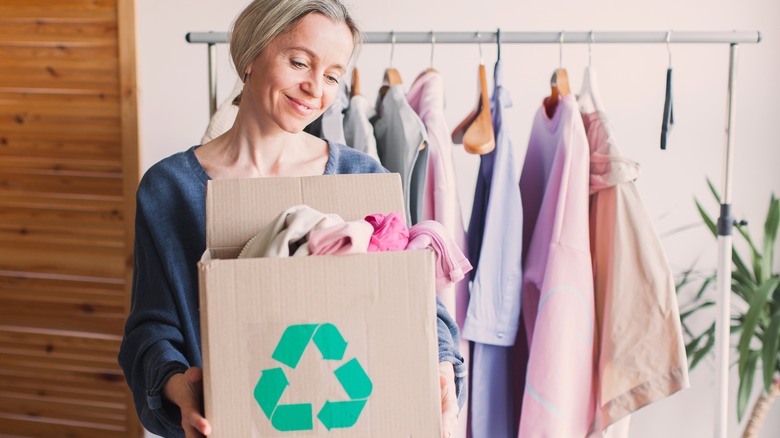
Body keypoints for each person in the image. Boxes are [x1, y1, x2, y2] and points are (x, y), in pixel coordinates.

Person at [117, 1, 465, 437]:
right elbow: (151, 330)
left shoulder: (361, 179)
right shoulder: (170, 190)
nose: (315, 88)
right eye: (299, 62)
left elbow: (415, 307)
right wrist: (176, 389)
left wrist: (442, 369)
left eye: (333, 76)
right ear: (250, 56)